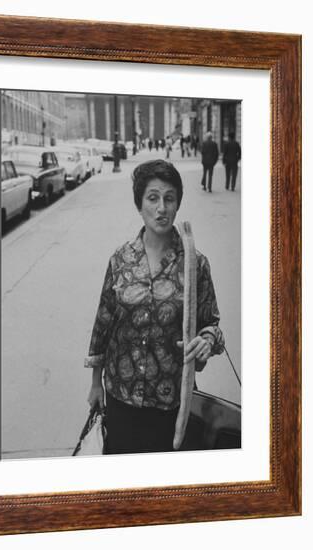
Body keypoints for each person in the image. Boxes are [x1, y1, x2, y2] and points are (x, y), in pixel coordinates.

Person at [85, 159, 225, 454]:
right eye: (153, 198)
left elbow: (211, 323)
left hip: (172, 404)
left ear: (177, 205)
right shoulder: (120, 259)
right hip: (121, 395)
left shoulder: (195, 263)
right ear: (140, 204)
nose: (161, 208)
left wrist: (207, 341)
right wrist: (95, 383)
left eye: (169, 198)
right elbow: (103, 322)